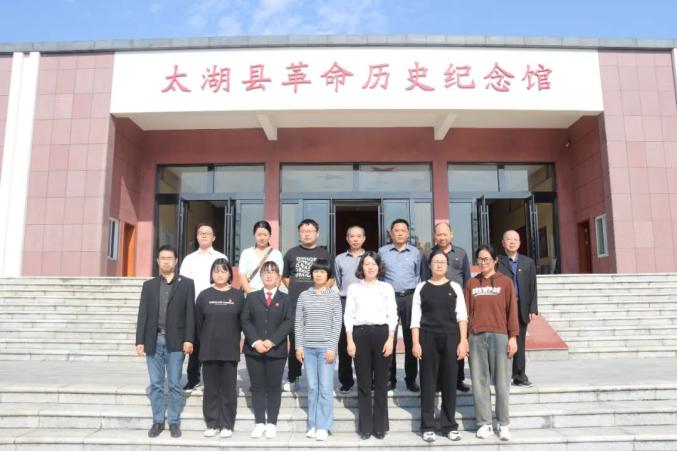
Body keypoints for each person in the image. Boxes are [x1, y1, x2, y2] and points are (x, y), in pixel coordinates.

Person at [135, 244, 195, 439]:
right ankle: (158, 421)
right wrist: (140, 340)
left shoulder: (186, 284)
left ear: (176, 261)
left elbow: (190, 314)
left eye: (169, 258)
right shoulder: (149, 286)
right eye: (162, 258)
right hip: (153, 339)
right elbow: (143, 314)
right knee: (156, 384)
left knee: (175, 384)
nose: (166, 261)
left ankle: (174, 422)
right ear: (157, 261)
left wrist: (189, 339)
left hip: (176, 341)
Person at [411, 249, 468, 443]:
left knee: (450, 382)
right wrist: (416, 342)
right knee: (427, 382)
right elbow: (415, 319)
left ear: (447, 265)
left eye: (442, 262)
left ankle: (449, 425)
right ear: (429, 265)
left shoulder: (455, 287)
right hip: (427, 338)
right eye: (435, 261)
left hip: (451, 337)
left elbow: (462, 316)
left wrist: (463, 341)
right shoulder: (421, 287)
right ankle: (427, 426)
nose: (439, 265)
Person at [465, 245, 519, 442]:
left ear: (495, 260)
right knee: (479, 382)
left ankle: (503, 424)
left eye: (486, 259)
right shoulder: (471, 283)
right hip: (476, 336)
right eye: (479, 259)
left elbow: (512, 311)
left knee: (502, 382)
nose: (483, 262)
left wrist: (513, 337)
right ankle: (484, 423)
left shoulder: (505, 282)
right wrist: (464, 338)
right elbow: (466, 313)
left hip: (500, 336)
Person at [344, 252, 397, 440]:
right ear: (362, 267)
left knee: (381, 383)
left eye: (374, 264)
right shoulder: (354, 289)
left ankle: (380, 426)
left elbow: (393, 314)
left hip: (382, 334)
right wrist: (350, 341)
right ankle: (365, 426)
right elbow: (348, 315)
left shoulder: (386, 287)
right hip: (360, 335)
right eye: (367, 264)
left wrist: (390, 339)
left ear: (379, 267)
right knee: (364, 383)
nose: (370, 267)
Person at [241, 261, 294, 439]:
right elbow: (245, 320)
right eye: (265, 272)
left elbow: (289, 321)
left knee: (273, 387)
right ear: (261, 276)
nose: (269, 275)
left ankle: (271, 422)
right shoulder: (252, 297)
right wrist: (256, 341)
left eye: (273, 272)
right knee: (257, 386)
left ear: (279, 277)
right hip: (254, 350)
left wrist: (272, 341)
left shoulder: (285, 299)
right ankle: (259, 422)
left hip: (277, 350)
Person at [195, 258, 245, 438]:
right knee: (210, 389)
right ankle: (212, 423)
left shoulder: (237, 296)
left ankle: (226, 424)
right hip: (209, 350)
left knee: (228, 390)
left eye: (224, 271)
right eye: (216, 271)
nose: (220, 274)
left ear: (230, 274)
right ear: (211, 274)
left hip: (229, 350)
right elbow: (198, 324)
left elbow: (242, 323)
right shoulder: (204, 296)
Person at [282, 218, 334, 391]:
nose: (306, 234)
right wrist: (298, 290)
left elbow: (332, 278)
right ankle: (294, 376)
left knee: (319, 342)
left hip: (319, 307)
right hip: (296, 305)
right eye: (303, 231)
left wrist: (318, 292)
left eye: (310, 231)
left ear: (317, 233)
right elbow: (285, 277)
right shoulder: (291, 253)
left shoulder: (325, 254)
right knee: (295, 341)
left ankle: (320, 378)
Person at [420, 222, 472, 392]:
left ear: (451, 234)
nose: (442, 237)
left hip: (455, 303)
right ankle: (437, 381)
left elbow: (467, 280)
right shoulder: (428, 254)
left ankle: (458, 379)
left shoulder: (461, 253)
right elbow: (424, 279)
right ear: (434, 236)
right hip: (435, 305)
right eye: (439, 234)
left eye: (445, 234)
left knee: (457, 341)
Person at [294, 259, 342, 442]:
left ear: (328, 275)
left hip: (325, 349)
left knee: (325, 388)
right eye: (316, 271)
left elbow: (337, 324)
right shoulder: (303, 296)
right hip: (308, 348)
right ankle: (312, 424)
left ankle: (324, 425)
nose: (318, 274)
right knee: (313, 387)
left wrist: (332, 348)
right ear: (311, 274)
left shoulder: (333, 296)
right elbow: (299, 322)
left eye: (322, 272)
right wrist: (298, 346)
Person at [180, 223, 228, 391]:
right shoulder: (189, 259)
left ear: (214, 237)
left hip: (216, 306)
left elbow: (226, 281)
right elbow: (183, 285)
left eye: (208, 233)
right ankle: (193, 378)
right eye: (201, 233)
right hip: (194, 307)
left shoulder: (221, 258)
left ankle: (215, 378)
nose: (204, 235)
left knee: (215, 342)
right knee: (195, 343)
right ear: (197, 236)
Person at [378, 218, 421, 392]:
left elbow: (418, 274)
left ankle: (411, 379)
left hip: (410, 297)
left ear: (408, 233)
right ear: (391, 233)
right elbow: (379, 274)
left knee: (411, 338)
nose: (400, 233)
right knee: (390, 337)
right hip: (389, 298)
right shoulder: (382, 252)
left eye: (403, 230)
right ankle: (390, 378)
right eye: (397, 230)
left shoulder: (416, 252)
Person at [497, 229, 538, 387]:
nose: (512, 242)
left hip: (521, 306)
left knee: (519, 341)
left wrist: (532, 308)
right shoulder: (497, 262)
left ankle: (519, 374)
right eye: (509, 239)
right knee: (502, 340)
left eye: (515, 239)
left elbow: (533, 287)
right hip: (502, 307)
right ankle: (501, 374)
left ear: (519, 243)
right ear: (503, 243)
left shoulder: (528, 262)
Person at [333, 225, 367, 393]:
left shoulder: (370, 257)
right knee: (344, 342)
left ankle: (365, 379)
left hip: (366, 302)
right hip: (345, 301)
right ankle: (346, 380)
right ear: (347, 238)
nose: (355, 239)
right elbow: (338, 282)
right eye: (352, 236)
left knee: (363, 341)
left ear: (364, 238)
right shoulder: (339, 259)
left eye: (358, 236)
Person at [238, 220, 284, 295]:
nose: (262, 238)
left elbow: (279, 277)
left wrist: (271, 295)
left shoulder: (276, 254)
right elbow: (242, 276)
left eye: (265, 235)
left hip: (269, 296)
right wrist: (252, 296)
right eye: (259, 235)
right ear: (254, 235)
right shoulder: (246, 253)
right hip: (250, 295)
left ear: (270, 235)